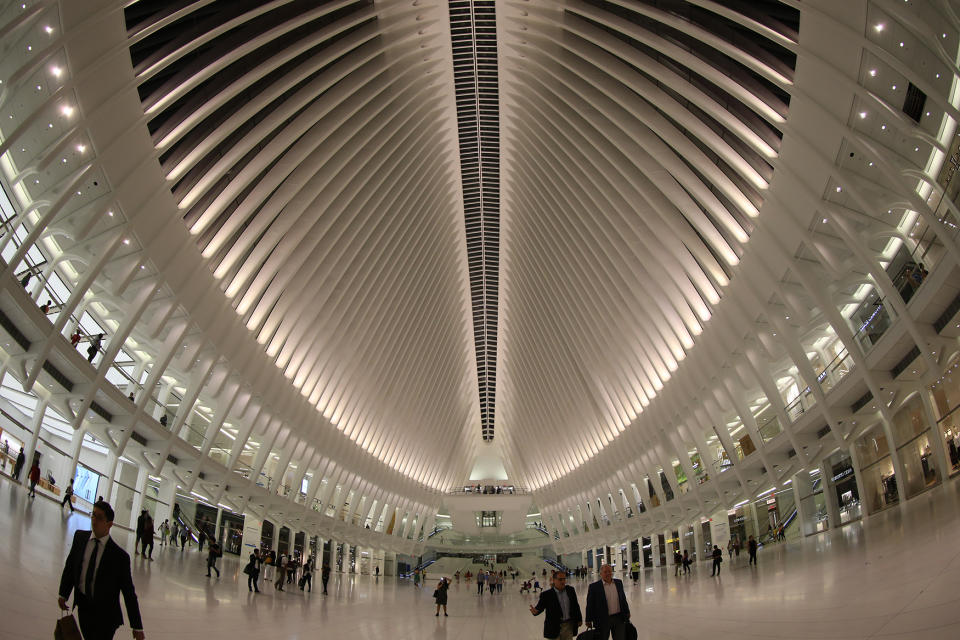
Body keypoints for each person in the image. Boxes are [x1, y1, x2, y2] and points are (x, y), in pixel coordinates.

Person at [57, 500, 145, 640]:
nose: (94, 520)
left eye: (99, 517)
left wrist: (137, 626)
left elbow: (129, 593)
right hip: (84, 609)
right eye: (93, 515)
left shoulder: (119, 557)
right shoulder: (80, 538)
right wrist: (63, 593)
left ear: (109, 524)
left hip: (106, 617)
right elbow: (70, 567)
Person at [530, 570, 581, 640]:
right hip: (553, 627)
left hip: (568, 626)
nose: (563, 581)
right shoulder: (547, 595)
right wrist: (535, 612)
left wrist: (579, 619)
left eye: (564, 579)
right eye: (560, 579)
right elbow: (539, 608)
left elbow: (576, 605)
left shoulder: (570, 590)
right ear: (554, 580)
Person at [585, 564, 630, 640]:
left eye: (609, 571)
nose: (608, 573)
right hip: (602, 620)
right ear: (601, 574)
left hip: (618, 618)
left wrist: (627, 611)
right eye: (605, 572)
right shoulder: (594, 587)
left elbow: (623, 599)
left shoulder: (618, 583)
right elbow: (590, 604)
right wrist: (588, 619)